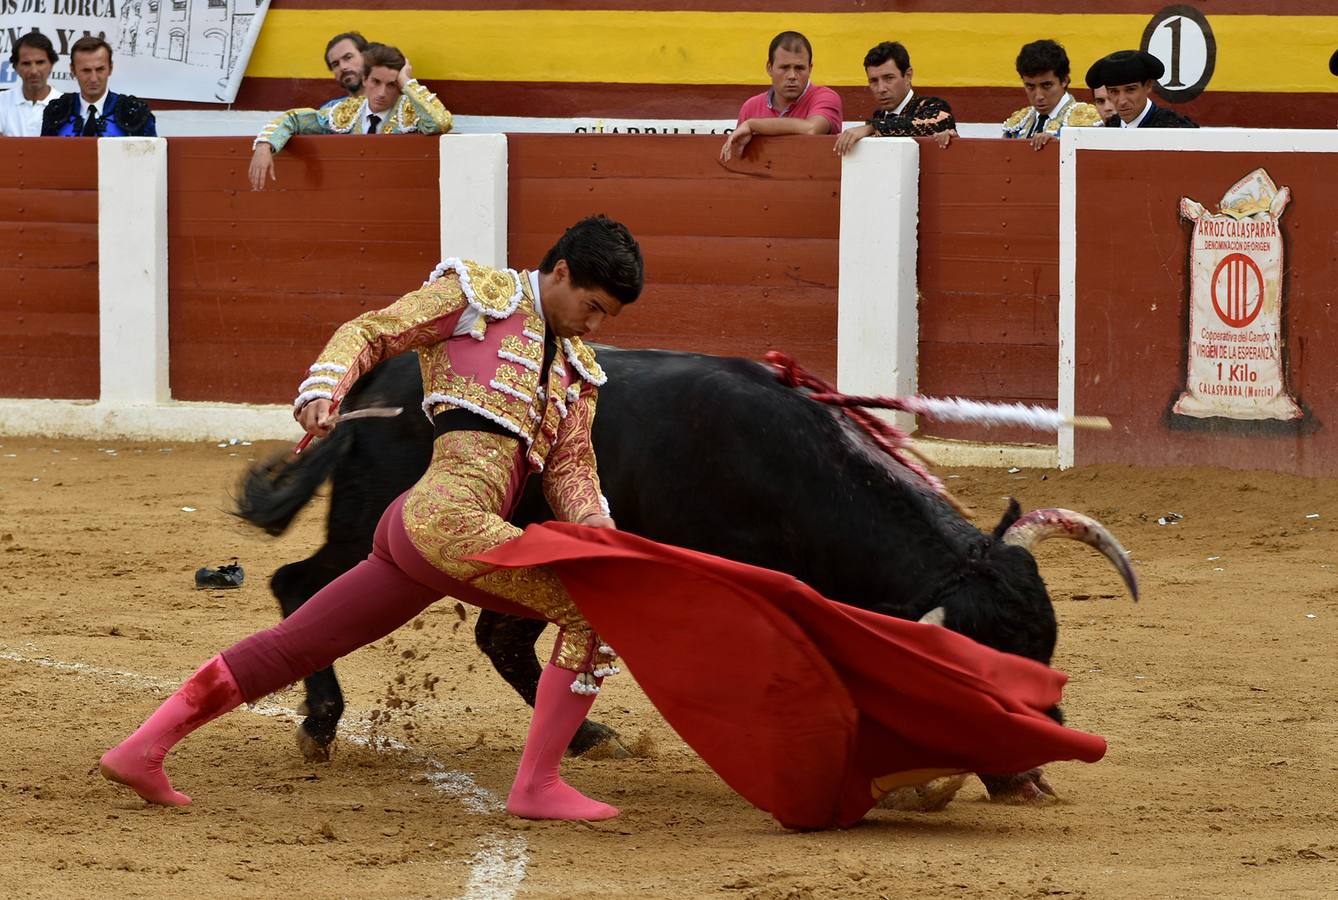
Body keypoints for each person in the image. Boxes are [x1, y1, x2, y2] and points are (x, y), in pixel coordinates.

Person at [100, 216, 645, 821]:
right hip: (446, 518)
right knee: (592, 611)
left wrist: (597, 525)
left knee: (295, 646)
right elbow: (373, 332)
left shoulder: (576, 371)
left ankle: (141, 748)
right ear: (561, 271)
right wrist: (323, 388)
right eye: (592, 306)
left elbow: (571, 468)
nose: (594, 325)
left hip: (419, 532)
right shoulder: (478, 298)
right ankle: (537, 785)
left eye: (606, 318)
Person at [249, 43, 452, 191]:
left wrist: (406, 82)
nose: (382, 93)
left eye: (391, 85)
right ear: (364, 79)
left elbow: (440, 122)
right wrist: (265, 144)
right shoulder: (346, 111)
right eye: (376, 82)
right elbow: (294, 119)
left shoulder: (410, 112)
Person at [720, 31, 843, 162]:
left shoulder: (826, 97)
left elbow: (811, 128)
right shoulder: (751, 107)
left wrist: (753, 125)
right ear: (769, 68)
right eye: (784, 68)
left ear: (810, 69)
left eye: (800, 68)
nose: (792, 76)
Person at [834, 41, 955, 155]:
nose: (881, 88)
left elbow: (933, 123)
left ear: (908, 76)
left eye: (889, 78)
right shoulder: (879, 116)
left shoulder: (934, 108)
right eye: (873, 81)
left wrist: (872, 127)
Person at [40, 36, 155, 137]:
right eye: (86, 70)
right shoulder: (56, 112)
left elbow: (150, 158)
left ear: (110, 68)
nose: (93, 79)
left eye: (100, 69)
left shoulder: (135, 112)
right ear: (73, 70)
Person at [1001, 39, 1102, 150]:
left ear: (1064, 80)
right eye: (1030, 86)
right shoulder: (1018, 123)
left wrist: (1059, 146)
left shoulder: (1089, 120)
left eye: (1046, 85)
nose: (1039, 96)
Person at [1084, 49, 1197, 128]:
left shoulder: (1174, 127)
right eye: (1114, 92)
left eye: (1130, 90)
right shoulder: (1111, 126)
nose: (1122, 101)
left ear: (1148, 85)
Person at [0, 33, 63, 137]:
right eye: (26, 63)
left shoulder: (66, 105)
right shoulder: (2, 101)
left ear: (51, 65)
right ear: (15, 67)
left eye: (40, 62)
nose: (34, 71)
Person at [321, 31, 369, 109]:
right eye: (335, 64)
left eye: (348, 57)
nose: (343, 67)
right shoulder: (330, 112)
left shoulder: (393, 105)